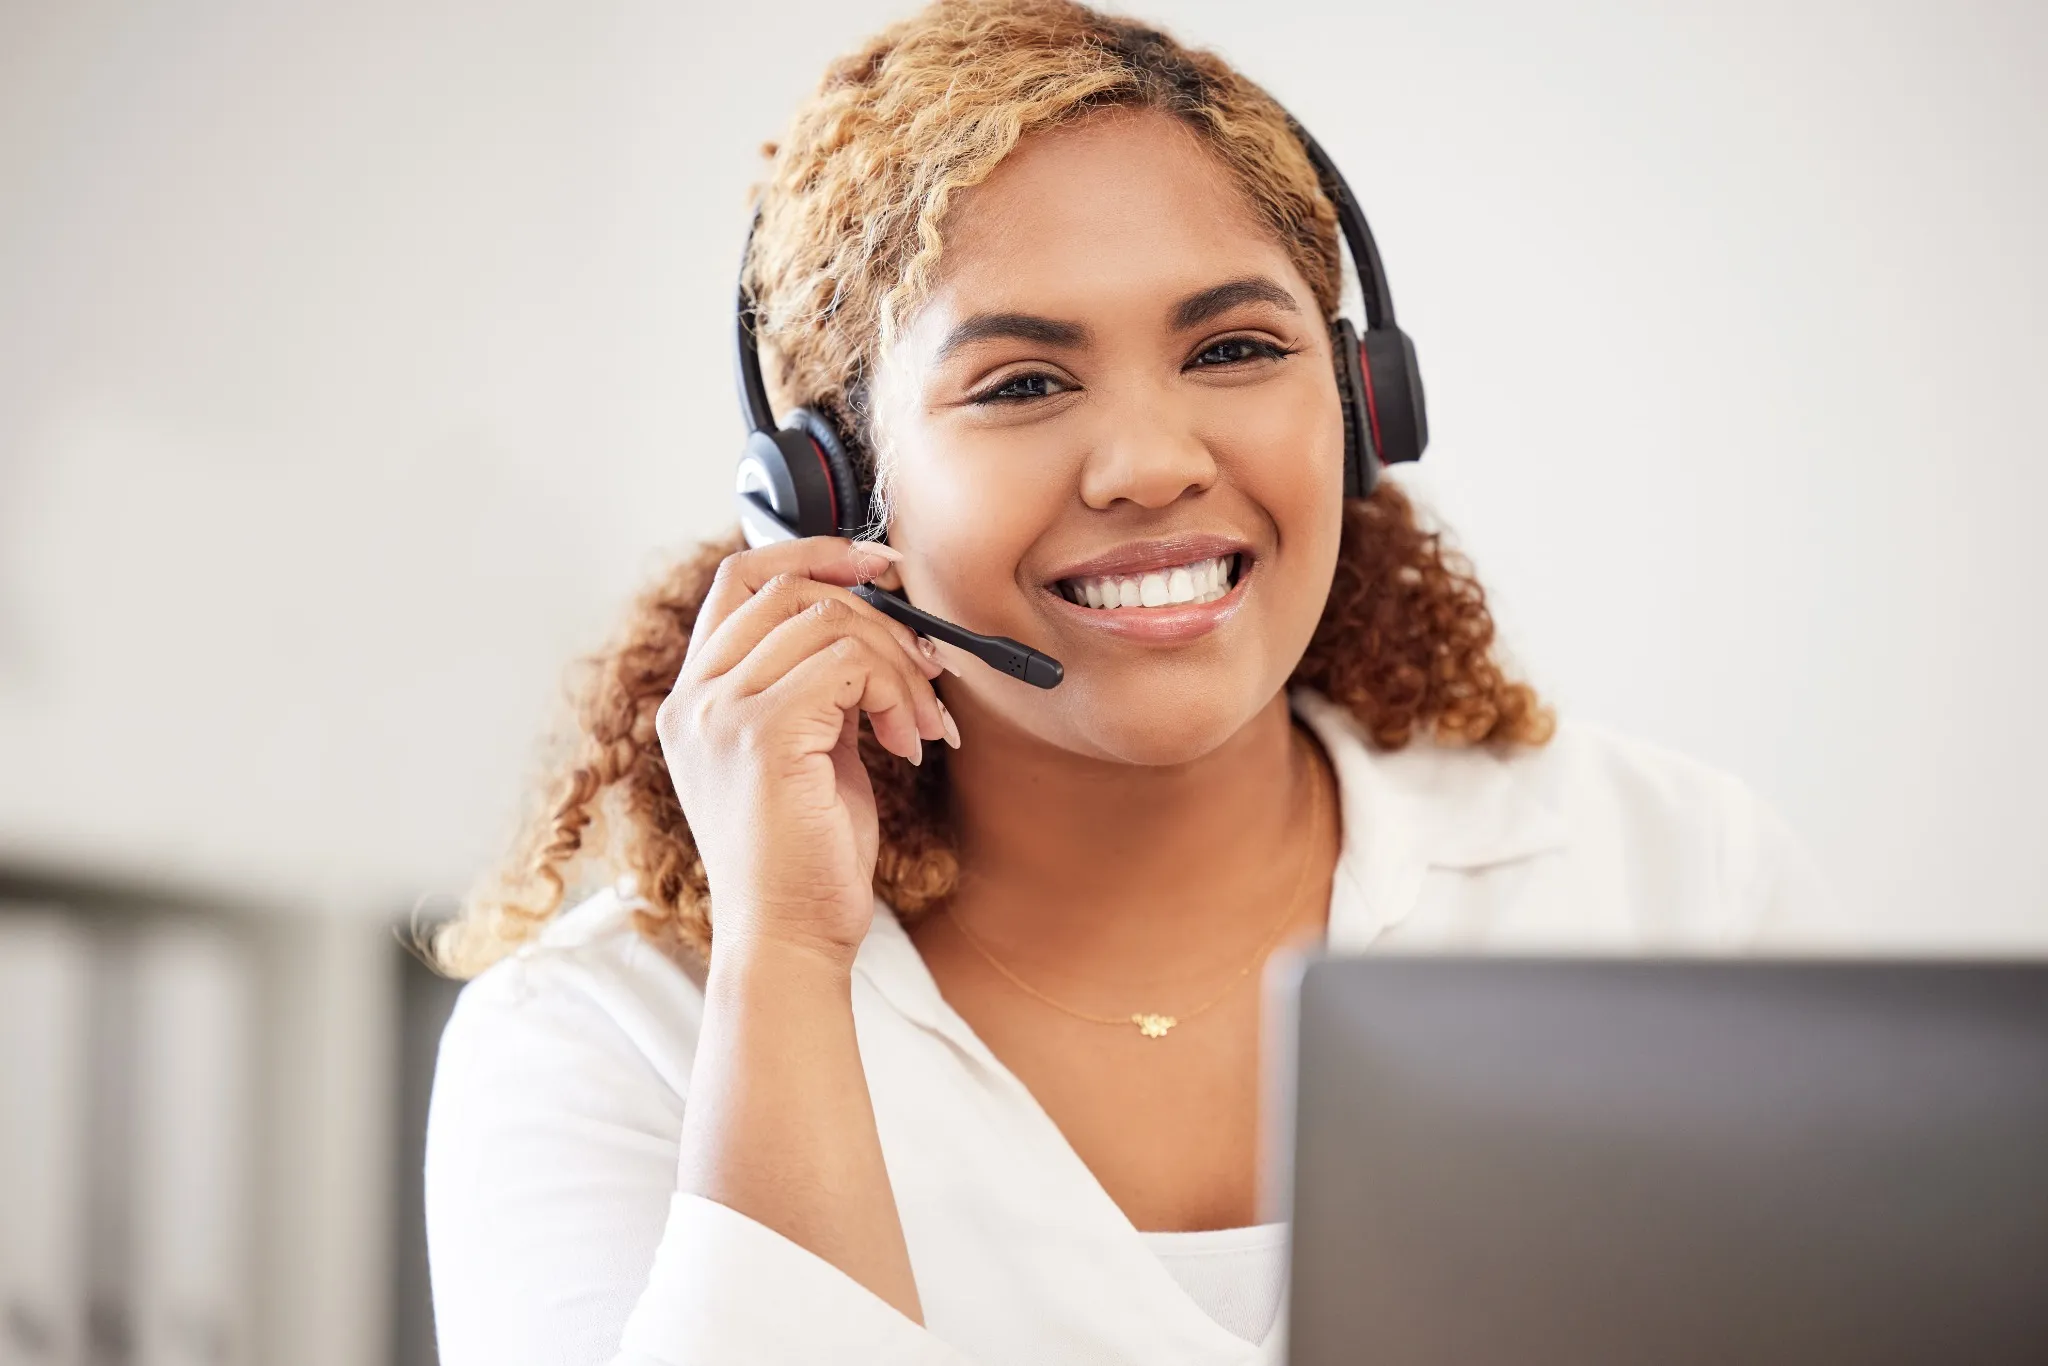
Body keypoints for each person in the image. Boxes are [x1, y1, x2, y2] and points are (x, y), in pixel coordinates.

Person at [420, 2, 1835, 1362]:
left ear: (1361, 407)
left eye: (1234, 349)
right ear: (827, 493)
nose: (1152, 462)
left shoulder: (1672, 884)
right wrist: (785, 960)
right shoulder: (605, 1041)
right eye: (1023, 382)